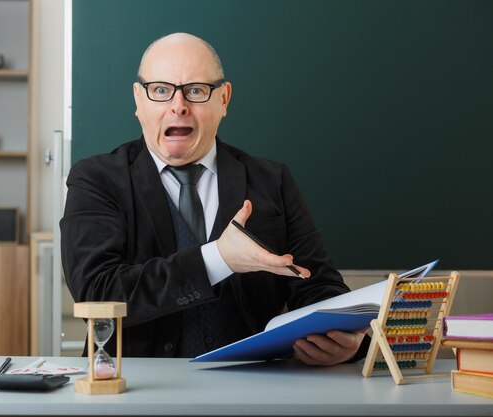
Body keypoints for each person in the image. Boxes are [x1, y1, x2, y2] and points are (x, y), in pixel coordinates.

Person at [61, 32, 368, 365]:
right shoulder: (95, 179)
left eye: (196, 91)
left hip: (251, 388)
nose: (178, 106)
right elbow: (98, 292)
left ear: (224, 99)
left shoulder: (271, 180)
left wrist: (350, 341)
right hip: (135, 388)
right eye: (161, 91)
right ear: (138, 99)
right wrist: (218, 258)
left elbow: (317, 284)